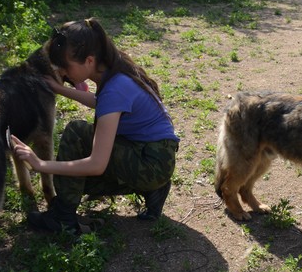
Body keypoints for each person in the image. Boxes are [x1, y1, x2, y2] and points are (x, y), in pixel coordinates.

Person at [12, 18, 179, 232]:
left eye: (64, 66)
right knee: (75, 180)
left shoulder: (115, 89)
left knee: (76, 135)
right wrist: (60, 88)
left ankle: (63, 219)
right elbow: (101, 102)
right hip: (155, 155)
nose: (61, 72)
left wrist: (40, 165)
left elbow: (97, 164)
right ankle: (153, 190)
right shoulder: (114, 68)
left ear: (89, 61)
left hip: (151, 162)